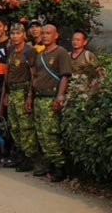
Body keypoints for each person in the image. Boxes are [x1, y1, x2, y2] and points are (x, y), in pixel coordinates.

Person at [30, 24, 71, 182]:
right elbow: (35, 77)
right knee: (41, 133)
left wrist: (59, 97)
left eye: (48, 33)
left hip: (51, 98)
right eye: (43, 33)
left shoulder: (60, 53)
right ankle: (49, 164)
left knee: (51, 133)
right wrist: (30, 96)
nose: (45, 36)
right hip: (39, 98)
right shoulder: (40, 55)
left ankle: (60, 167)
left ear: (56, 35)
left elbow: (65, 77)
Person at [0, 23, 37, 172]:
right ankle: (19, 155)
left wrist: (30, 95)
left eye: (18, 33)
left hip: (24, 91)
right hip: (12, 92)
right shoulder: (11, 50)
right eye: (13, 34)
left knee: (25, 126)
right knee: (14, 126)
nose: (15, 36)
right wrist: (6, 93)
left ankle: (29, 158)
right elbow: (7, 73)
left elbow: (33, 74)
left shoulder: (30, 51)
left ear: (24, 35)